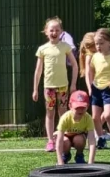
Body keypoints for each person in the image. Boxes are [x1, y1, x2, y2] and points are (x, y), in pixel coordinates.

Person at [32, 17, 78, 153]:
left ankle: (62, 138)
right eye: (51, 30)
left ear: (61, 31)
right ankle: (50, 141)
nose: (54, 32)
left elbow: (75, 66)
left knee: (63, 113)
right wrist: (35, 89)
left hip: (63, 86)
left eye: (57, 30)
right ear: (46, 31)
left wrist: (73, 84)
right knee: (50, 114)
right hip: (49, 87)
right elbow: (38, 70)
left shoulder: (65, 47)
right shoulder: (42, 49)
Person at [54, 90, 94, 165]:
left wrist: (91, 162)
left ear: (87, 106)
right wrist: (60, 162)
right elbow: (59, 140)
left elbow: (92, 140)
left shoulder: (88, 118)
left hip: (79, 137)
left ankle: (79, 155)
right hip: (66, 137)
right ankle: (65, 155)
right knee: (64, 141)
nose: (80, 110)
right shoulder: (65, 118)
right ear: (70, 106)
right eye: (77, 107)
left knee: (79, 139)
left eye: (83, 107)